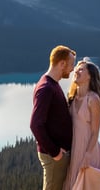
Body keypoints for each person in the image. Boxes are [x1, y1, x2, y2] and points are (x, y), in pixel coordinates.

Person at [30, 45, 76, 190]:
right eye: (71, 65)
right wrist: (55, 152)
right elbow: (35, 124)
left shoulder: (52, 84)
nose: (72, 69)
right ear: (62, 64)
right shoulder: (46, 88)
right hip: (54, 157)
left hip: (56, 155)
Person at [63, 57, 100, 190]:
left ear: (90, 76)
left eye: (81, 70)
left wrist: (87, 155)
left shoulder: (93, 99)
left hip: (87, 151)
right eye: (76, 69)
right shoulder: (72, 98)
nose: (76, 71)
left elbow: (95, 132)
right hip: (74, 150)